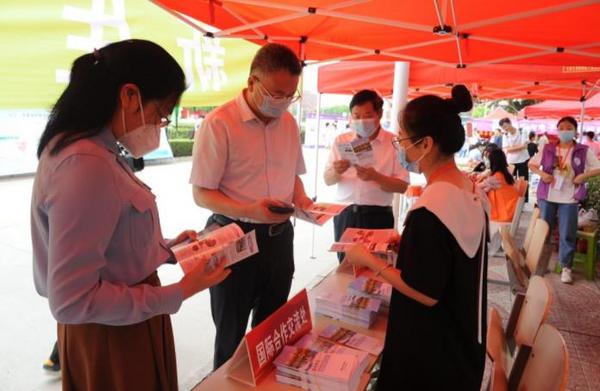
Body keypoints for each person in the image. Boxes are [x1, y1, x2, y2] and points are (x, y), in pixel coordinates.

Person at [31, 40, 231, 391]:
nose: (161, 123)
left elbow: (109, 239)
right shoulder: (86, 164)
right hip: (113, 336)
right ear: (129, 97)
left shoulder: (94, 149)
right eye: (162, 111)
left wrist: (166, 249)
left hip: (123, 321)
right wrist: (181, 290)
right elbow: (72, 300)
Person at [346, 85, 488, 390]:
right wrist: (409, 244)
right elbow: (451, 258)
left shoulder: (431, 208)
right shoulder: (470, 190)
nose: (400, 147)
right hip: (463, 347)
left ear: (425, 144)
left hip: (430, 357)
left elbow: (424, 291)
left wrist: (369, 260)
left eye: (403, 139)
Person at [190, 43, 312, 369]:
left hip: (279, 237)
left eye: (290, 95)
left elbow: (294, 176)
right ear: (252, 82)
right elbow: (202, 193)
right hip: (235, 237)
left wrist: (301, 199)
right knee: (230, 332)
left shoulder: (287, 123)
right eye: (276, 93)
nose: (283, 102)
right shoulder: (220, 123)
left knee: (272, 330)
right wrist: (248, 210)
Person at [324, 90, 409, 262]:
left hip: (377, 216)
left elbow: (402, 186)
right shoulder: (342, 140)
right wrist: (336, 171)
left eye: (367, 115)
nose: (361, 120)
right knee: (346, 267)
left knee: (376, 270)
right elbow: (327, 180)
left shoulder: (394, 144)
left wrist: (376, 177)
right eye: (356, 116)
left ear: (379, 114)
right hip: (346, 214)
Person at [529, 116, 600, 284]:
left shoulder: (583, 150)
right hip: (548, 195)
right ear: (557, 130)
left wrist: (583, 176)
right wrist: (543, 174)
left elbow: (597, 168)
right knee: (544, 231)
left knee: (567, 233)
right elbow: (531, 164)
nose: (565, 130)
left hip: (570, 197)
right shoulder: (547, 148)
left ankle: (566, 267)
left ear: (575, 131)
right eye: (561, 127)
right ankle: (541, 264)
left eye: (569, 128)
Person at [480, 149, 519, 223]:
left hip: (506, 212)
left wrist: (482, 176)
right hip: (510, 209)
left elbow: (478, 187)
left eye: (488, 159)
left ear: (493, 162)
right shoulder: (504, 173)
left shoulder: (496, 177)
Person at [501, 117, 530, 201]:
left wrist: (512, 148)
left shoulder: (521, 131)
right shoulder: (505, 135)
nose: (505, 129)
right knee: (510, 181)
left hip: (523, 160)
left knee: (523, 181)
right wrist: (519, 147)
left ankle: (523, 200)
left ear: (510, 123)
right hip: (511, 161)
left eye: (506, 126)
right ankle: (512, 199)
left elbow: (525, 146)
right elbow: (506, 149)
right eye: (503, 128)